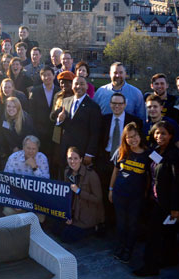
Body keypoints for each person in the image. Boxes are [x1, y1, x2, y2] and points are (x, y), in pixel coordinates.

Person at [133, 121, 179, 277]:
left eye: (163, 133)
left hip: (166, 202)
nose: (159, 136)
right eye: (157, 133)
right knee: (167, 233)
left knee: (153, 235)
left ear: (170, 136)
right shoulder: (155, 150)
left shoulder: (174, 154)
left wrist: (176, 208)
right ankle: (170, 259)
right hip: (154, 198)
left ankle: (150, 267)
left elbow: (177, 182)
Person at [95, 93, 143, 227]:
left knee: (121, 194)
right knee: (105, 193)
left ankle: (120, 224)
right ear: (110, 104)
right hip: (105, 159)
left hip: (125, 161)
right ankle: (106, 222)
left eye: (120, 104)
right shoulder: (104, 119)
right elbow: (99, 140)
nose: (117, 106)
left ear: (125, 105)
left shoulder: (134, 121)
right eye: (114, 104)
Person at [108, 122, 150, 263]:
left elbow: (150, 177)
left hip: (136, 197)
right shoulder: (121, 151)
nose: (133, 139)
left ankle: (128, 250)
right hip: (119, 194)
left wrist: (146, 193)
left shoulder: (148, 154)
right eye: (129, 137)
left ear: (140, 135)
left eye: (135, 136)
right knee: (121, 224)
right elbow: (115, 171)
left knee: (132, 225)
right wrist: (110, 189)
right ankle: (119, 247)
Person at [53, 146, 104, 243]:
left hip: (86, 216)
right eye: (70, 158)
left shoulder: (91, 175)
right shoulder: (67, 172)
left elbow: (98, 199)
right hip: (73, 212)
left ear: (81, 159)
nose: (73, 161)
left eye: (76, 158)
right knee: (55, 229)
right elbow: (67, 197)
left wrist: (79, 191)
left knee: (66, 237)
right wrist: (68, 215)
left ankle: (93, 228)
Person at [53, 77, 101, 174]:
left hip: (82, 151)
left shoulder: (93, 106)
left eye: (82, 84)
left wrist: (89, 153)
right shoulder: (65, 101)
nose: (79, 86)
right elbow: (55, 119)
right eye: (76, 84)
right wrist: (59, 120)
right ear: (72, 86)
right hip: (65, 150)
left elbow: (95, 133)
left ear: (87, 86)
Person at [3, 135, 49, 221]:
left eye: (34, 149)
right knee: (8, 211)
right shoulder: (13, 157)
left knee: (40, 215)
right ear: (23, 147)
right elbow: (6, 179)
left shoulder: (42, 158)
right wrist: (15, 201)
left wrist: (35, 167)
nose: (31, 151)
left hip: (34, 198)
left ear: (37, 149)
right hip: (17, 195)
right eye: (28, 148)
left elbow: (46, 183)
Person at [0, 96, 35, 168]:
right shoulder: (4, 117)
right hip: (11, 147)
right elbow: (5, 134)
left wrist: (18, 148)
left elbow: (28, 137)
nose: (11, 109)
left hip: (24, 148)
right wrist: (14, 147)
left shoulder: (26, 119)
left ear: (18, 108)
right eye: (9, 106)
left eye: (14, 107)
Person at [28, 67, 59, 159]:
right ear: (41, 77)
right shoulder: (35, 91)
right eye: (44, 75)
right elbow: (31, 112)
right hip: (39, 131)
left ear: (54, 76)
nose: (46, 77)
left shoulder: (59, 91)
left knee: (53, 158)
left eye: (49, 74)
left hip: (54, 131)